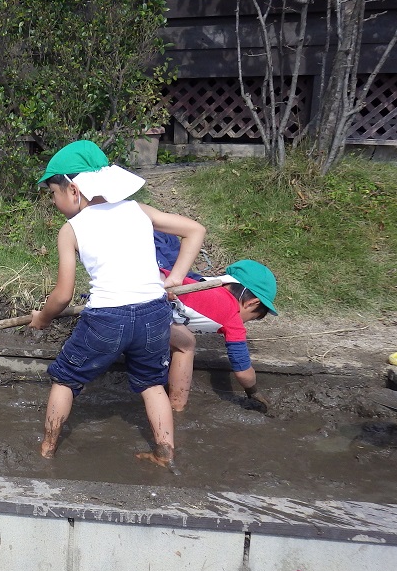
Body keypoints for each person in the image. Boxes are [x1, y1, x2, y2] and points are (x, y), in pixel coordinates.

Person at [29, 140, 206, 467]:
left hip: (108, 318)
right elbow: (195, 230)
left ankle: (47, 449)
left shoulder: (71, 230)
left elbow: (63, 295)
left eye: (53, 193)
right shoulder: (137, 210)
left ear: (73, 190)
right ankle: (164, 454)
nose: (53, 201)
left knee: (66, 378)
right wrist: (175, 279)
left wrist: (42, 318)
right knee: (153, 384)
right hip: (155, 313)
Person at [157, 252, 278, 413]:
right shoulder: (232, 316)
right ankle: (176, 406)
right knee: (186, 345)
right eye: (251, 318)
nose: (244, 323)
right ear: (251, 303)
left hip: (148, 282)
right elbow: (243, 371)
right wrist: (253, 391)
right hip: (146, 304)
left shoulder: (204, 286)